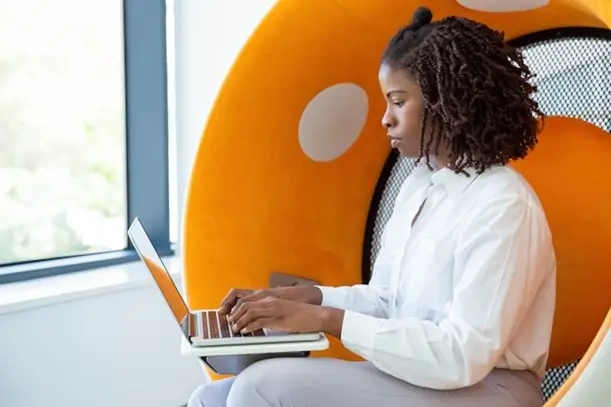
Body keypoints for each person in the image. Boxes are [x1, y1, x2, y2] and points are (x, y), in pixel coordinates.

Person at [187, 6, 556, 407]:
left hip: (490, 389)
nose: (385, 120)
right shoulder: (420, 187)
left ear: (448, 102)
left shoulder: (502, 203)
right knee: (210, 396)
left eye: (398, 102)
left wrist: (328, 321)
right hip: (424, 378)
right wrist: (309, 299)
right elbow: (386, 301)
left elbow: (461, 357)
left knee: (257, 388)